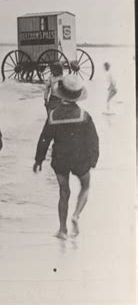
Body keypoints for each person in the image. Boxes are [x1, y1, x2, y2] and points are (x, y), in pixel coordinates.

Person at [33, 75, 99, 240]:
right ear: (77, 95)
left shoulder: (53, 115)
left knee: (64, 192)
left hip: (60, 159)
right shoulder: (84, 115)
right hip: (80, 159)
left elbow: (44, 139)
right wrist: (93, 159)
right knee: (85, 186)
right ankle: (76, 215)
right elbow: (93, 139)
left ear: (60, 94)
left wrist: (38, 159)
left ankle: (62, 230)